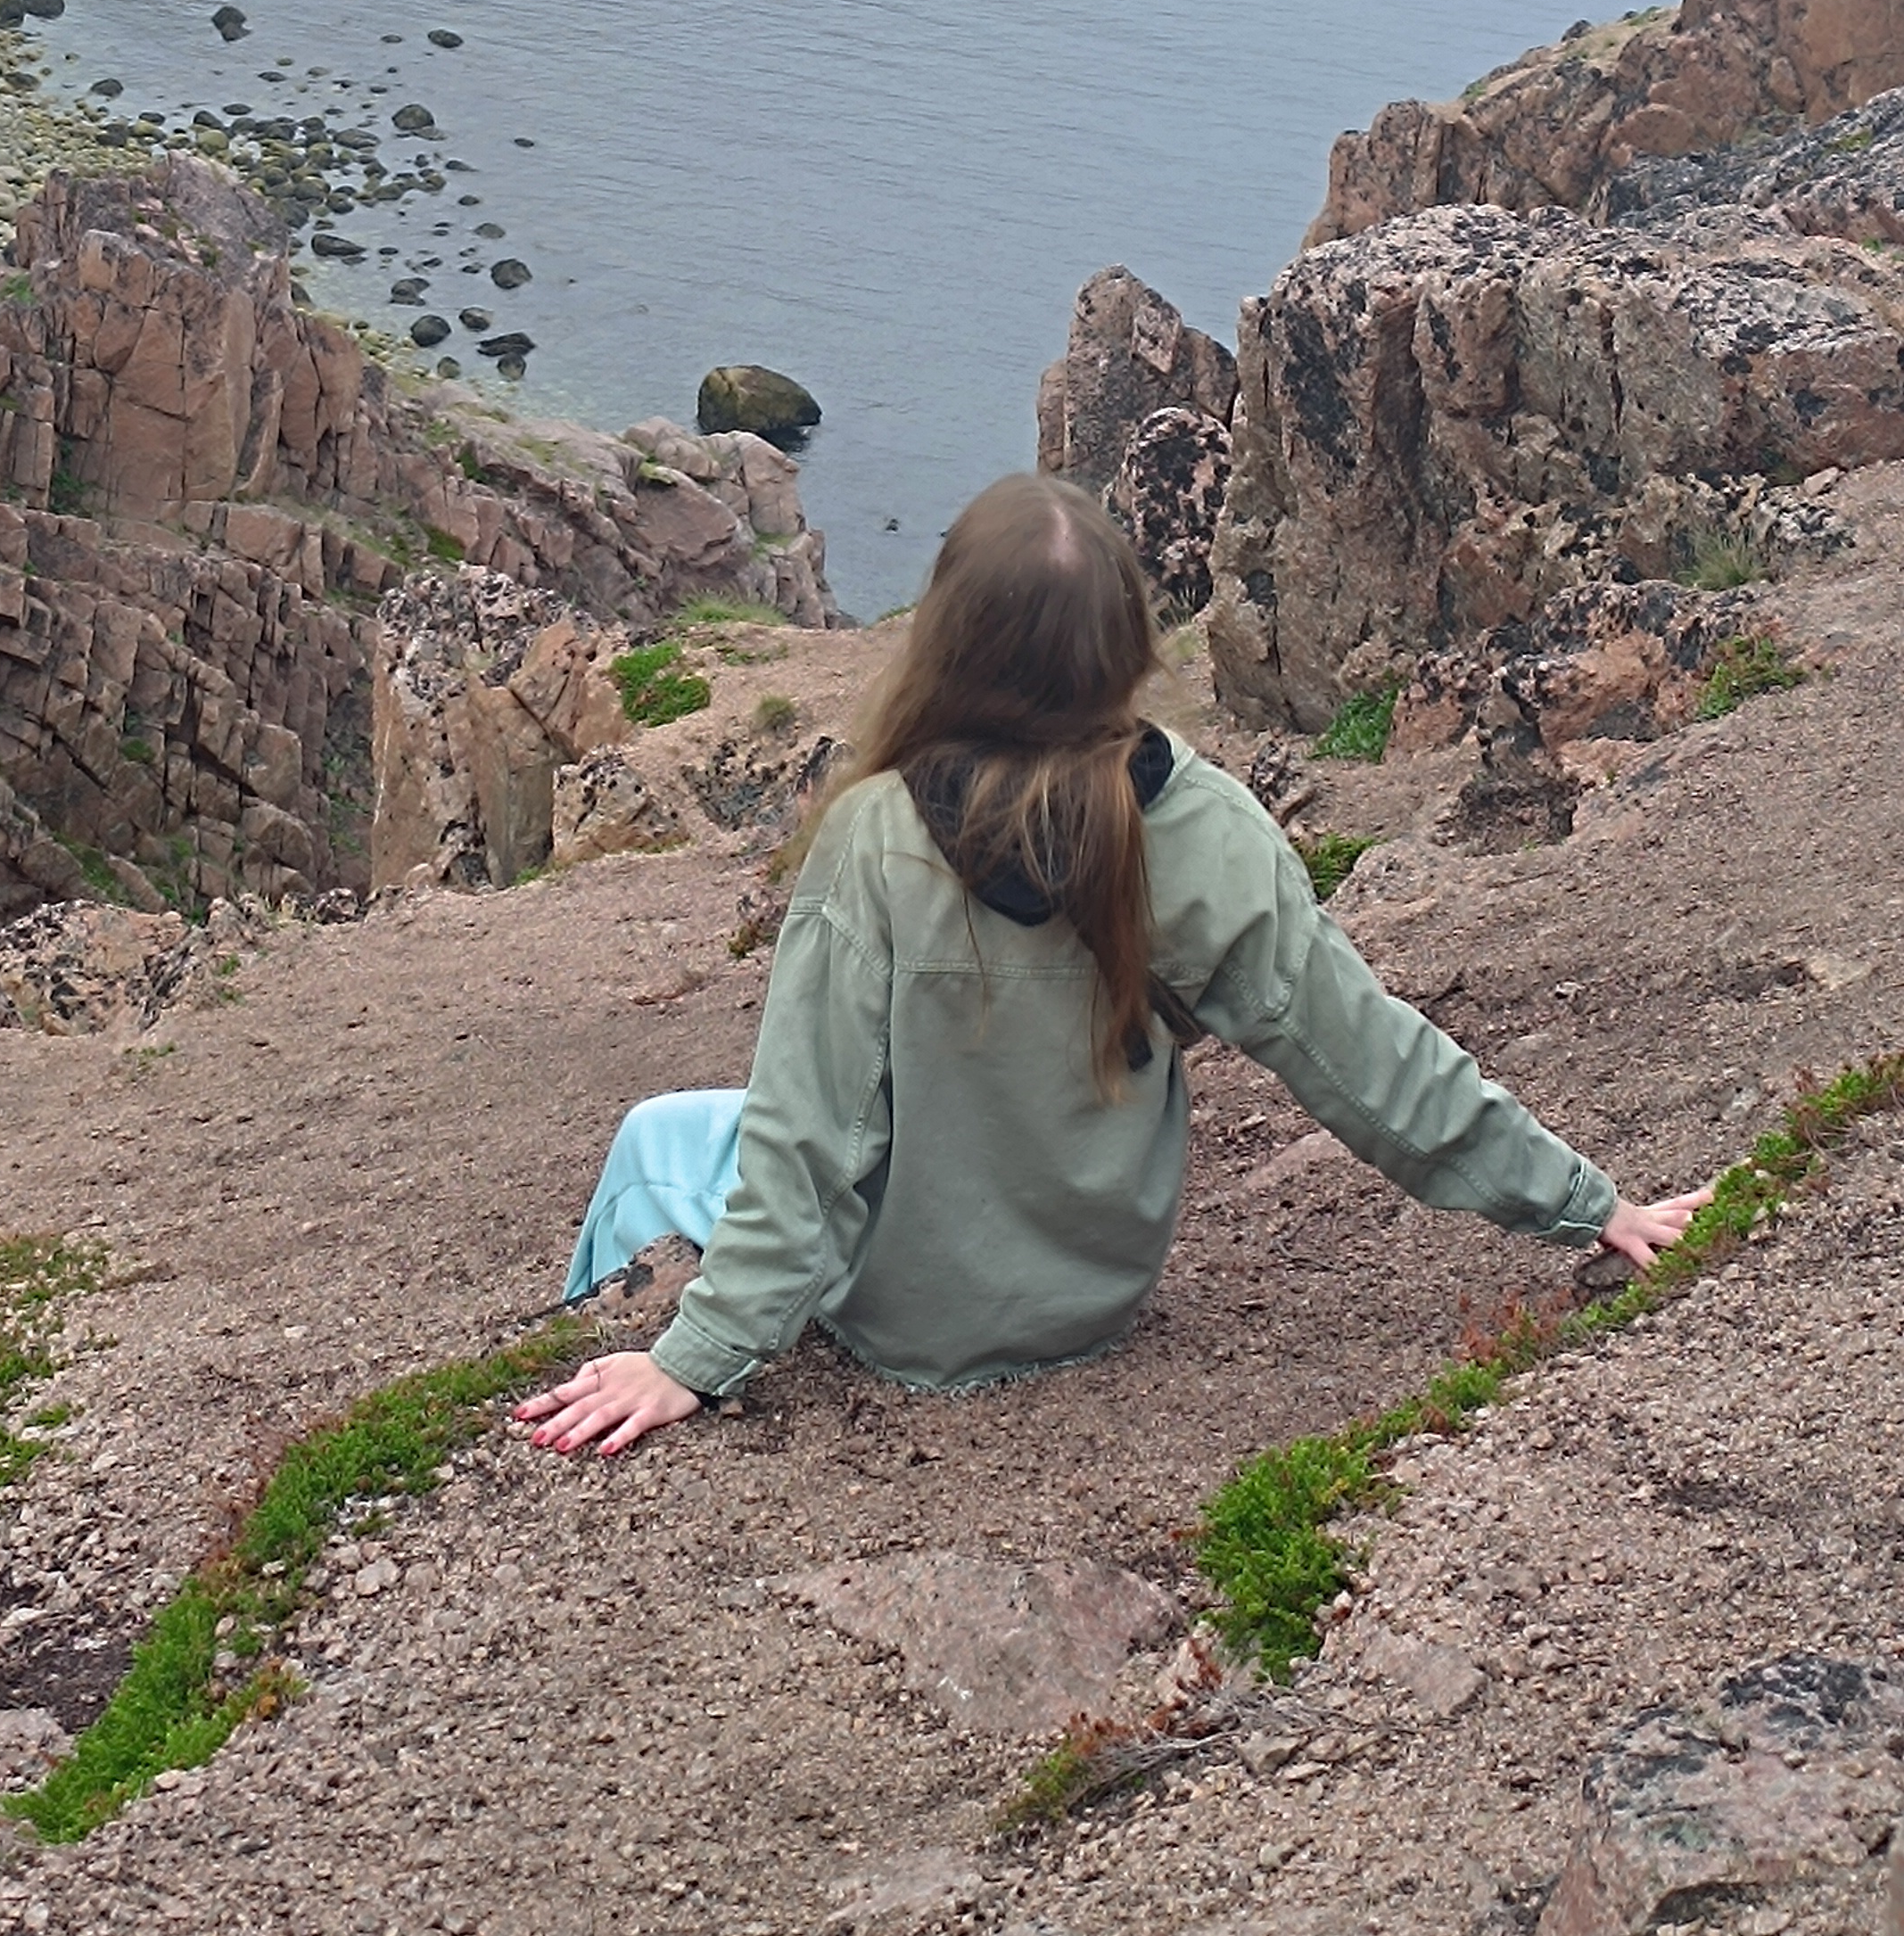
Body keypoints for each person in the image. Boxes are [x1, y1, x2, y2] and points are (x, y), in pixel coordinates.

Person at [516, 473, 1707, 1462]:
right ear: (1127, 644)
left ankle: (581, 1347)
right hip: (1092, 1291)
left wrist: (693, 1359)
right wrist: (1587, 1206)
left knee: (655, 1138)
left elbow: (808, 1135)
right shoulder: (1207, 828)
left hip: (907, 1317)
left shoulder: (877, 838)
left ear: (949, 641)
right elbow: (1371, 1061)